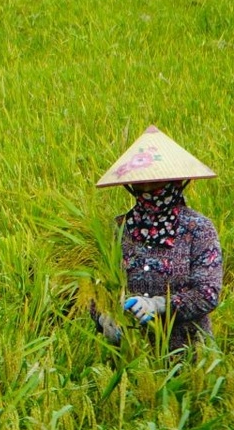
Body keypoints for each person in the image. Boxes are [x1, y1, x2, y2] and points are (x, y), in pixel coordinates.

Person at [90, 125, 223, 352]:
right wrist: (103, 317)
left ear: (177, 183)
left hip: (189, 353)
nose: (149, 190)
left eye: (158, 183)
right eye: (142, 183)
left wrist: (158, 305)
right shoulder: (119, 229)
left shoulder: (198, 229)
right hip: (131, 355)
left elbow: (207, 294)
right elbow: (97, 290)